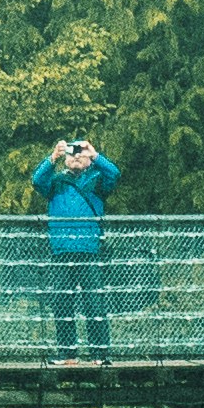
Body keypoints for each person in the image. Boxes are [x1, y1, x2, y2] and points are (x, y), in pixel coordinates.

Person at [24, 130, 120, 359]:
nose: (76, 156)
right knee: (62, 303)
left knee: (94, 303)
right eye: (72, 152)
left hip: (89, 250)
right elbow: (37, 180)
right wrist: (52, 158)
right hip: (61, 250)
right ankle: (67, 355)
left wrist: (95, 155)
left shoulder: (97, 180)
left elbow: (114, 174)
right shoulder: (56, 182)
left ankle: (100, 354)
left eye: (81, 152)